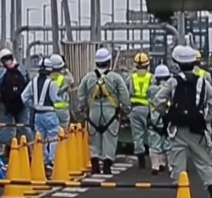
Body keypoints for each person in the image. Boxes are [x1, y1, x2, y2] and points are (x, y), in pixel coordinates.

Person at [152, 45, 212, 198]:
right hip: (197, 128)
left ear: (177, 63)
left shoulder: (173, 81)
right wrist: (205, 118)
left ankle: (181, 196)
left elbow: (157, 100)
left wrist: (167, 113)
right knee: (204, 161)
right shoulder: (202, 82)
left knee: (177, 163)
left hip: (176, 128)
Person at [77, 47, 130, 175]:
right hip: (110, 112)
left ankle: (95, 164)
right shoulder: (116, 77)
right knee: (110, 138)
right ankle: (107, 164)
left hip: (93, 112)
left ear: (96, 62)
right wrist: (126, 109)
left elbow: (81, 94)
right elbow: (124, 94)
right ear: (109, 61)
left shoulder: (88, 77)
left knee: (94, 139)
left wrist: (83, 109)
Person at [22, 57, 62, 169]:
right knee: (53, 137)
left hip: (37, 114)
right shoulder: (52, 83)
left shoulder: (33, 82)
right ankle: (52, 161)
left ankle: (42, 161)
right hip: (50, 113)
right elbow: (55, 99)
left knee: (40, 139)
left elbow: (24, 97)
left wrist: (33, 104)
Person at [0, 49, 32, 154]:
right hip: (22, 103)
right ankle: (30, 148)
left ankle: (5, 150)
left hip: (6, 105)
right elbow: (28, 85)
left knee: (6, 127)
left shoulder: (0, 72)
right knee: (24, 126)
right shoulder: (22, 69)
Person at [128, 51, 153, 169]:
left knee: (137, 135)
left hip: (135, 109)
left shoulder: (130, 78)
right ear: (147, 65)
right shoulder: (151, 77)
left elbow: (126, 93)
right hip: (149, 110)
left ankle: (140, 157)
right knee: (152, 133)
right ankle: (156, 161)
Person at [148, 64, 172, 175]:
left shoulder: (151, 89)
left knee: (154, 144)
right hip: (168, 119)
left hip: (154, 119)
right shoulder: (170, 89)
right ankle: (168, 165)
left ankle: (155, 166)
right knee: (168, 144)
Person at [48, 54, 73, 130]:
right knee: (63, 132)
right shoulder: (64, 78)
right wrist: (65, 68)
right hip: (62, 109)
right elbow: (71, 79)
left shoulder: (47, 79)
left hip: (49, 109)